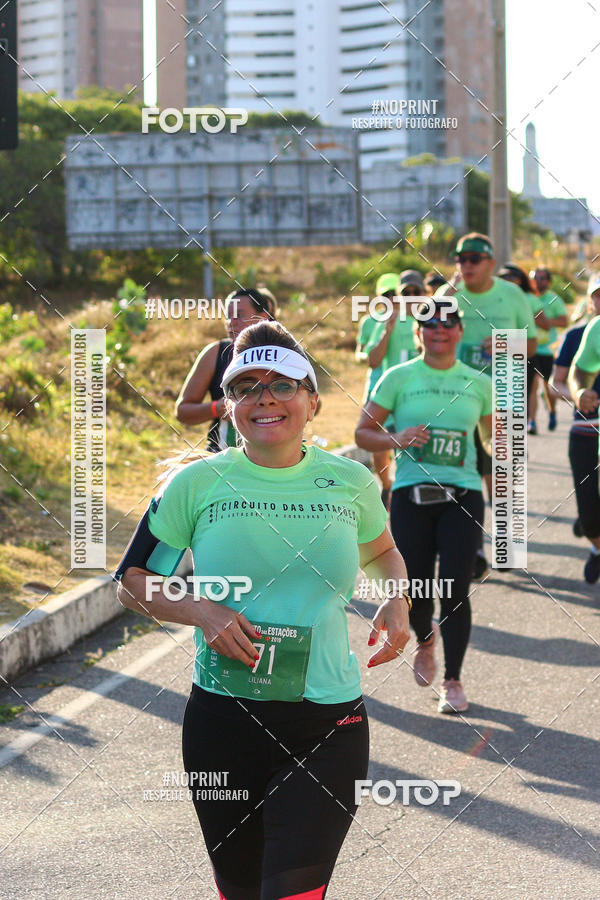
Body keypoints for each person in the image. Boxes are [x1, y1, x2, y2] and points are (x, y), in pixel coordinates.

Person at [116, 320, 411, 900]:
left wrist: (396, 602)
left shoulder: (349, 481)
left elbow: (384, 553)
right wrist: (202, 611)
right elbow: (132, 582)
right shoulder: (195, 484)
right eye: (247, 386)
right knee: (243, 890)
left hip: (326, 721)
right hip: (223, 724)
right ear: (228, 408)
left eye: (282, 383)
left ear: (312, 400)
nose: (265, 397)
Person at [355, 301, 493, 714]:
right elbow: (363, 433)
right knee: (412, 587)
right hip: (412, 497)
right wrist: (396, 438)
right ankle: (426, 641)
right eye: (429, 324)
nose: (438, 330)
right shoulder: (399, 378)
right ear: (418, 334)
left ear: (459, 331)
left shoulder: (478, 382)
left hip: (463, 496)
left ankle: (453, 681)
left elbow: (498, 441)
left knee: (455, 585)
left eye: (447, 323)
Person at [436, 234, 537, 580]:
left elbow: (534, 343)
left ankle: (507, 542)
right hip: (459, 397)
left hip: (504, 396)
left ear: (491, 262)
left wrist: (506, 343)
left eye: (474, 259)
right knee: (464, 475)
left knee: (500, 474)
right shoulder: (451, 295)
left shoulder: (511, 294)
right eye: (461, 259)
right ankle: (474, 548)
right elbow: (428, 324)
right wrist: (448, 291)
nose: (466, 265)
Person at [175, 287, 277, 452]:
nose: (232, 322)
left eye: (239, 315)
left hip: (274, 458)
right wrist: (218, 408)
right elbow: (182, 411)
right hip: (221, 457)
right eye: (228, 317)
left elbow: (314, 402)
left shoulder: (284, 353)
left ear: (263, 317)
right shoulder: (215, 353)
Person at [565, 276, 600, 583]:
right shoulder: (595, 329)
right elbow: (578, 371)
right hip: (589, 430)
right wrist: (578, 392)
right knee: (590, 520)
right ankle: (596, 546)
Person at [355, 272, 398, 507]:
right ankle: (386, 484)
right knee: (378, 444)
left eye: (396, 294)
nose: (391, 299)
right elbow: (361, 352)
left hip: (404, 390)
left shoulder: (413, 319)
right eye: (386, 294)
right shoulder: (370, 321)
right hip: (376, 389)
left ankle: (401, 490)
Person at [497, 263, 552, 429]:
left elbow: (545, 324)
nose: (509, 280)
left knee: (524, 393)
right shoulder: (494, 297)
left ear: (521, 280)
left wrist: (523, 315)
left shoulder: (530, 299)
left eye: (513, 277)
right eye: (504, 277)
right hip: (498, 351)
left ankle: (527, 424)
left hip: (525, 349)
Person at [528, 267, 568, 434]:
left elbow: (564, 321)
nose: (538, 281)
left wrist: (544, 321)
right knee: (532, 385)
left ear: (549, 282)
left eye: (542, 278)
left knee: (547, 385)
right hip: (530, 348)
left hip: (548, 350)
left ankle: (552, 412)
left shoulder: (554, 299)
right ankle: (532, 421)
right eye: (534, 277)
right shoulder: (526, 298)